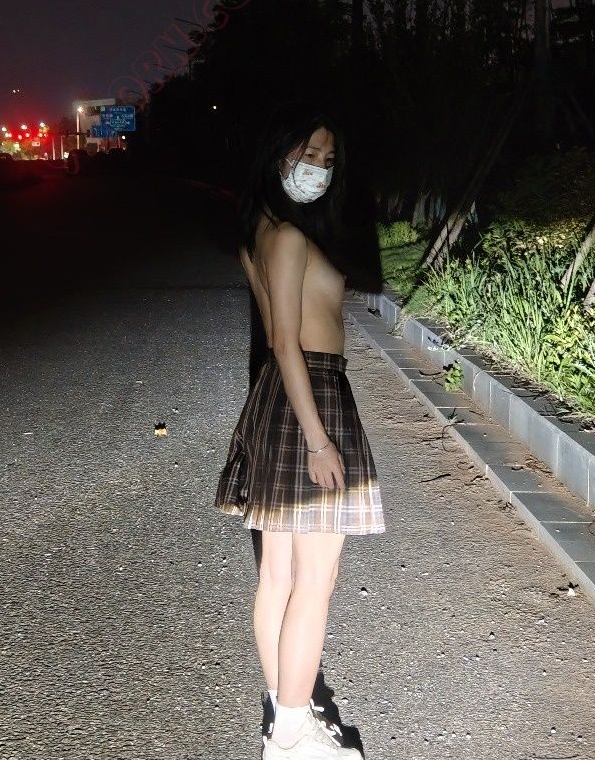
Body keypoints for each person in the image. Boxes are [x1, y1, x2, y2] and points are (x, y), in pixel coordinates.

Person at [214, 102, 386, 758]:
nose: (318, 168)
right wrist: (318, 439)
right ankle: (291, 730)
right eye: (307, 154)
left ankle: (289, 713)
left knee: (280, 576)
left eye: (327, 159)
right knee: (315, 578)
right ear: (277, 153)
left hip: (282, 396)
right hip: (308, 394)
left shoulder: (259, 232)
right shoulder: (287, 237)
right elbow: (285, 340)